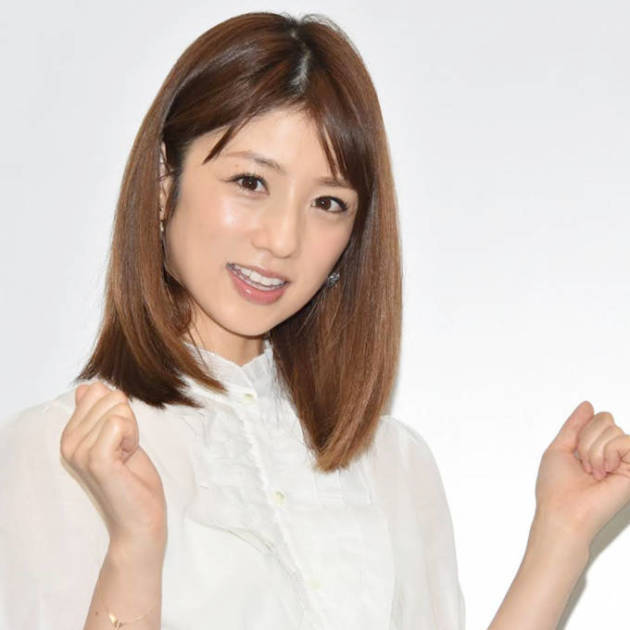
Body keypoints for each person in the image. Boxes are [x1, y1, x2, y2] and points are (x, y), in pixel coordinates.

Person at [0, 11, 629, 630]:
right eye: (251, 182)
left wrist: (561, 538)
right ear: (166, 184)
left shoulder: (396, 464)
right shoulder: (63, 454)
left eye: (328, 203)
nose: (282, 239)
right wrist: (135, 548)